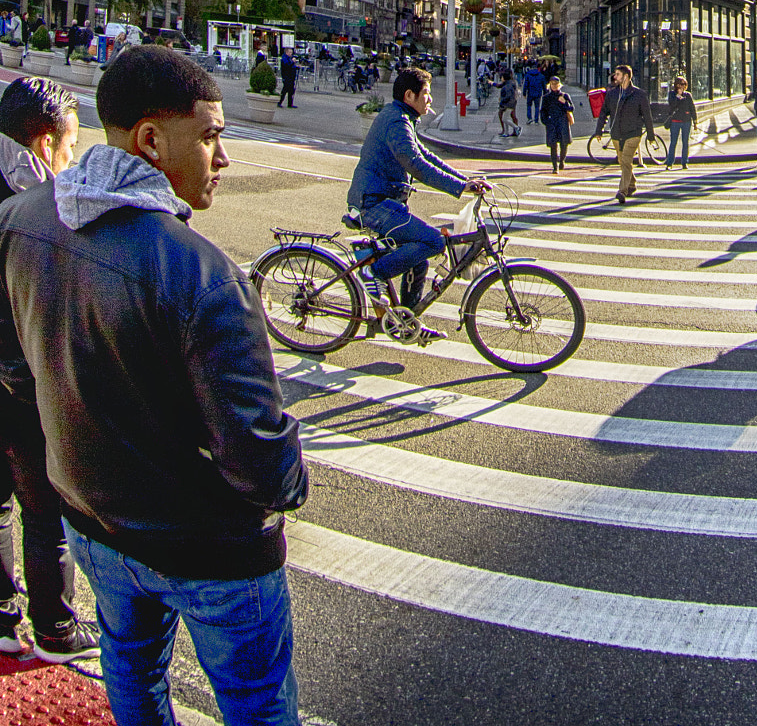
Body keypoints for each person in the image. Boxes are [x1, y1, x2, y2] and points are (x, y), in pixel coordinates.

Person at [0, 47, 308, 726]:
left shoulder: (20, 220)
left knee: (131, 680)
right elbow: (262, 464)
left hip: (91, 522)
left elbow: (16, 368)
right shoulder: (204, 274)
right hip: (213, 552)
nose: (221, 158)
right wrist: (291, 472)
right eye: (208, 136)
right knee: (257, 707)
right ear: (149, 139)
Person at [0, 78, 90, 661]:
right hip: (22, 379)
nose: (74, 158)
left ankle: (4, 623)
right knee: (45, 506)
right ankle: (55, 627)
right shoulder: (43, 206)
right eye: (71, 145)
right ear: (42, 142)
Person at [348, 67, 482, 318]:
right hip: (373, 204)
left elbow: (427, 156)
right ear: (410, 95)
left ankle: (404, 320)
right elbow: (415, 164)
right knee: (433, 241)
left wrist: (465, 181)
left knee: (417, 259)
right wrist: (459, 187)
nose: (430, 99)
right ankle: (373, 273)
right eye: (427, 93)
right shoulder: (396, 120)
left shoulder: (402, 118)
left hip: (386, 203)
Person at [599, 66, 654, 204]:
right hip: (617, 133)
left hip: (633, 133)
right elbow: (603, 112)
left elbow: (647, 115)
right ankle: (631, 183)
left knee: (626, 160)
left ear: (626, 76)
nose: (615, 77)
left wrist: (651, 135)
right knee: (622, 162)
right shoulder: (612, 94)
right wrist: (598, 130)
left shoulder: (639, 94)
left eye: (618, 74)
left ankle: (622, 191)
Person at [541, 75, 574, 175]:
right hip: (552, 123)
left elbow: (572, 108)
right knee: (553, 145)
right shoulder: (546, 97)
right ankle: (555, 166)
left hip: (563, 122)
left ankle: (562, 161)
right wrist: (546, 121)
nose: (554, 86)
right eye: (552, 84)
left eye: (556, 84)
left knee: (564, 144)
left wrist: (565, 103)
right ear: (549, 85)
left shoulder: (564, 96)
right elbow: (543, 111)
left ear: (559, 85)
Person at [665, 76, 697, 169]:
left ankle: (684, 162)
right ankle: (670, 163)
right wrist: (678, 97)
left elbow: (692, 108)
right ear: (676, 85)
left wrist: (695, 121)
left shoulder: (688, 95)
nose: (681, 87)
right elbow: (672, 106)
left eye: (683, 84)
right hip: (675, 121)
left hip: (686, 121)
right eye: (679, 84)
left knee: (685, 142)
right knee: (673, 142)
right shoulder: (672, 94)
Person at [497, 70, 520, 138]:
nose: (501, 79)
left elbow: (507, 96)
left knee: (504, 118)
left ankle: (516, 127)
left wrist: (502, 101)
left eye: (502, 77)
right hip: (510, 103)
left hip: (508, 104)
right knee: (505, 117)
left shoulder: (507, 86)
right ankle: (506, 132)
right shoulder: (510, 83)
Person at [522, 59, 545, 124]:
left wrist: (524, 93)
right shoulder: (541, 76)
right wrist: (545, 93)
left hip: (530, 93)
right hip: (538, 93)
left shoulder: (528, 75)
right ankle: (536, 119)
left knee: (529, 105)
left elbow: (525, 85)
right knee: (537, 106)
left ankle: (529, 118)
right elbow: (544, 86)